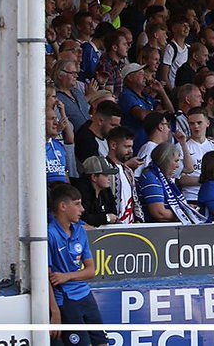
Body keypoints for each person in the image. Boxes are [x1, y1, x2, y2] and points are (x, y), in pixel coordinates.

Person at [46, 182, 106, 346]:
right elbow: (45, 278)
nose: (82, 209)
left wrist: (67, 276)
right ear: (63, 206)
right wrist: (55, 312)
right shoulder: (49, 234)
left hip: (85, 295)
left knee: (102, 342)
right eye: (77, 204)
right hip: (66, 300)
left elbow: (91, 271)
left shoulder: (80, 231)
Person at [137, 141, 206, 224]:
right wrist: (185, 214)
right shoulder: (151, 178)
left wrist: (187, 208)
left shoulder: (163, 178)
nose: (177, 166)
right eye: (176, 161)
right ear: (166, 160)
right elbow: (159, 213)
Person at [104, 126, 143, 223]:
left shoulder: (128, 171)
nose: (131, 151)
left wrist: (139, 221)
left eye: (131, 146)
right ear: (113, 145)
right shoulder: (104, 169)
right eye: (126, 147)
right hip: (112, 227)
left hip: (130, 227)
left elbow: (135, 200)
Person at [75, 155, 119, 227]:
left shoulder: (106, 190)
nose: (109, 178)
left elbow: (113, 214)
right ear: (94, 177)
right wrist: (106, 218)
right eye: (105, 175)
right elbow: (84, 217)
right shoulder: (81, 191)